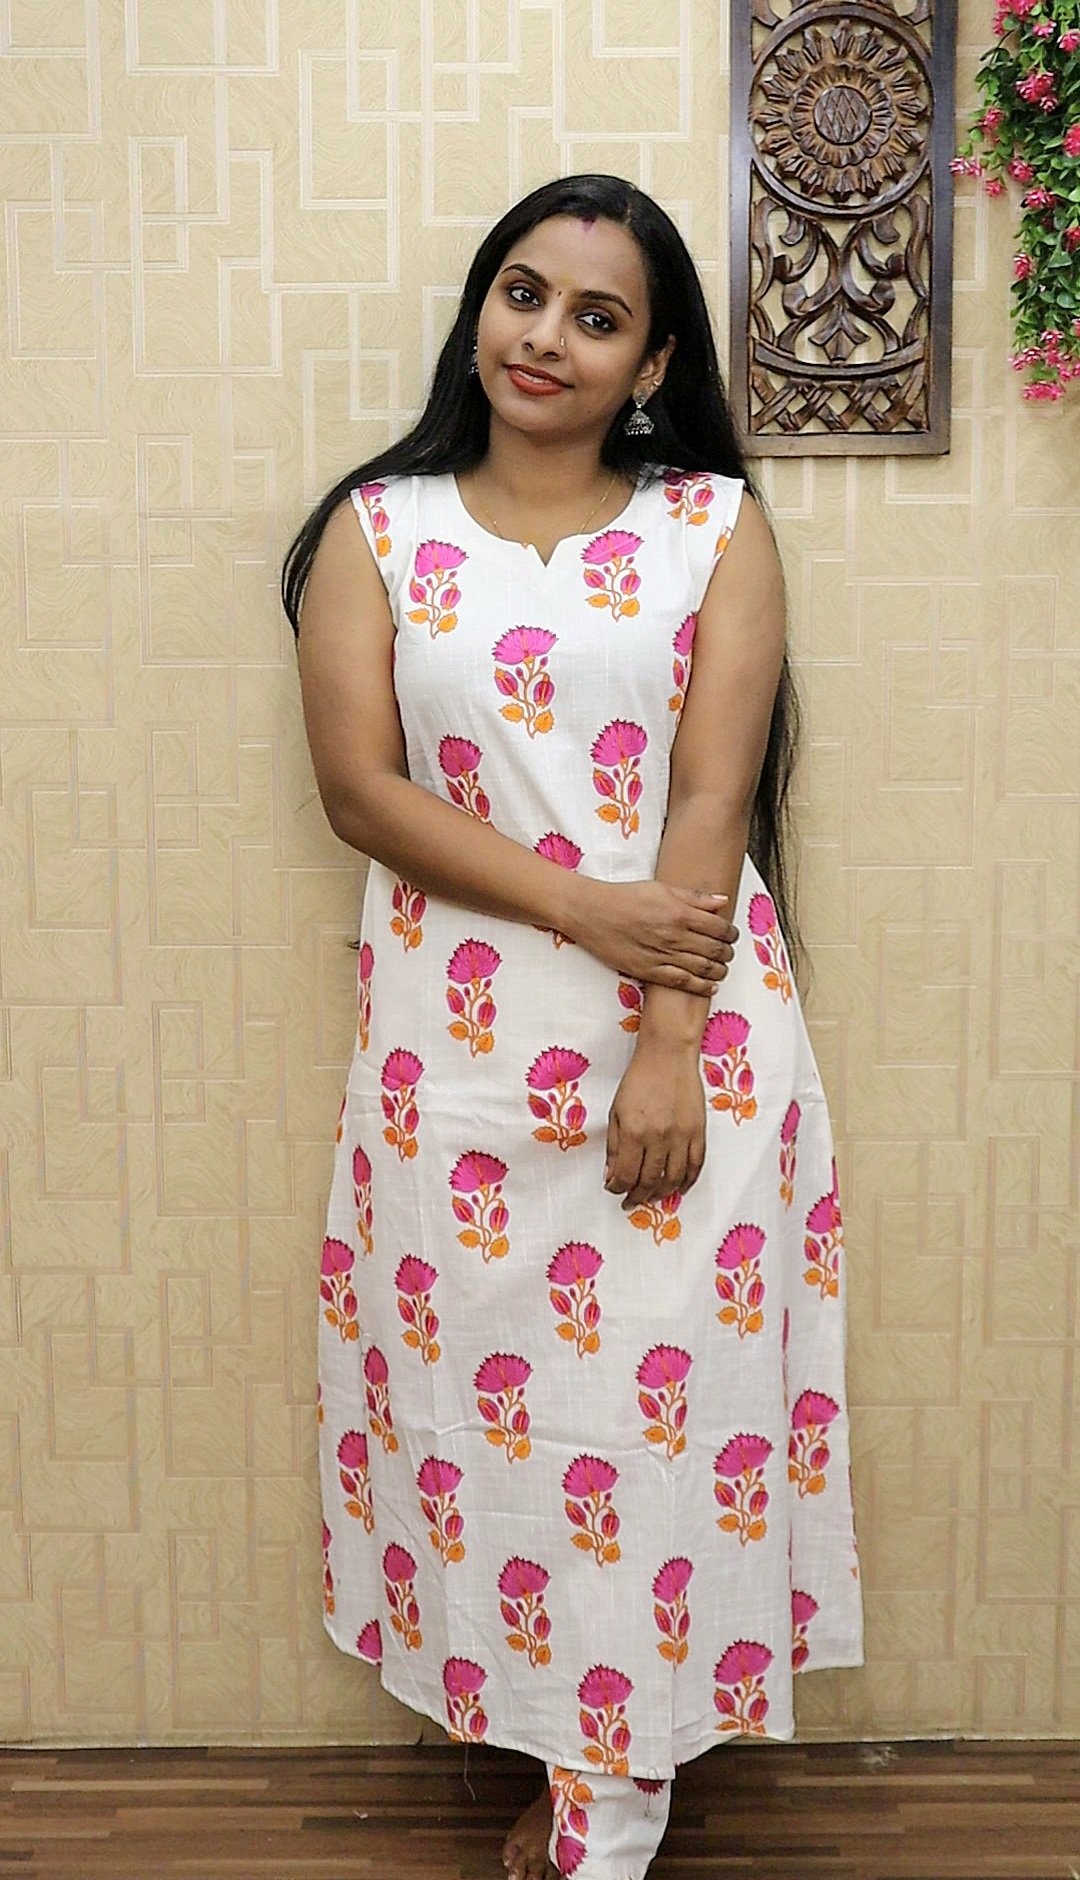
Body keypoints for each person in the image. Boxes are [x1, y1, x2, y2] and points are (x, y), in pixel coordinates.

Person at [285, 173, 864, 1880]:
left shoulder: (712, 531)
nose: (547, 336)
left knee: (657, 1413)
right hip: (453, 1061)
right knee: (490, 1410)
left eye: (598, 317)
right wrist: (579, 908)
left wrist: (667, 1036)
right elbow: (361, 791)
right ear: (482, 309)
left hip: (684, 1038)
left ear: (653, 362)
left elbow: (711, 791)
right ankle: (568, 1742)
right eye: (523, 294)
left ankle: (612, 1801)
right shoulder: (376, 531)